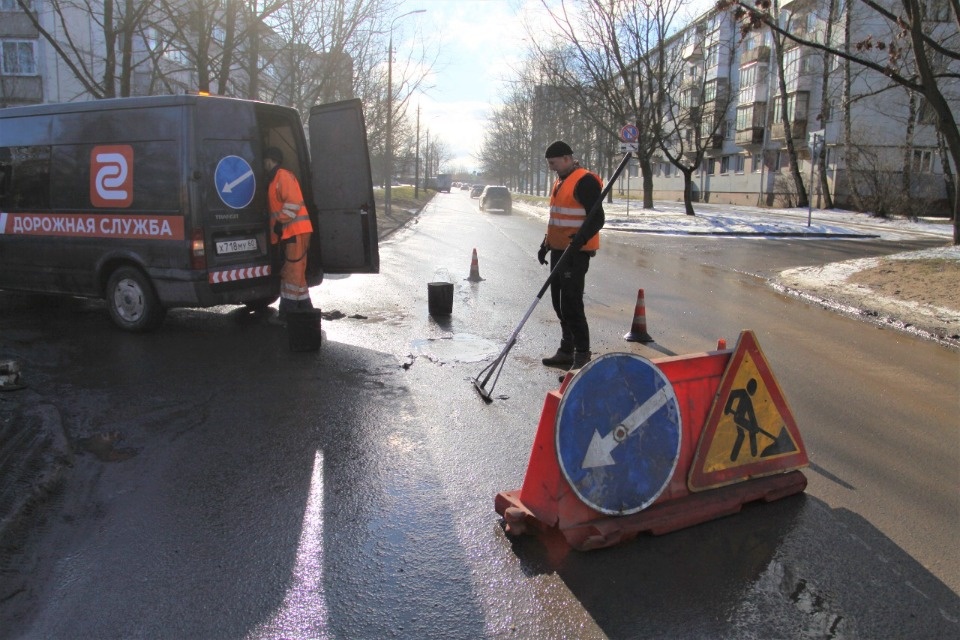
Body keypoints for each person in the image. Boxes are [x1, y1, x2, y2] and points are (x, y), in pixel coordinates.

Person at [538, 140, 604, 376]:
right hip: (559, 251)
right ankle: (566, 350)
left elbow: (598, 218)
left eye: (554, 163)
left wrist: (580, 239)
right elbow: (557, 218)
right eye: (549, 164)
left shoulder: (585, 181)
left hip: (576, 253)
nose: (552, 168)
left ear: (567, 158)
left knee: (572, 304)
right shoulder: (561, 181)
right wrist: (545, 244)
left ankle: (582, 355)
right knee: (559, 304)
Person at [263, 147, 314, 322]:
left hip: (295, 231)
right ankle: (305, 309)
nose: (263, 164)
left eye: (264, 161)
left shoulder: (282, 176)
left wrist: (280, 222)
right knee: (296, 273)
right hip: (292, 232)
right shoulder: (275, 179)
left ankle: (287, 312)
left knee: (291, 273)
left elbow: (293, 203)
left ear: (270, 160)